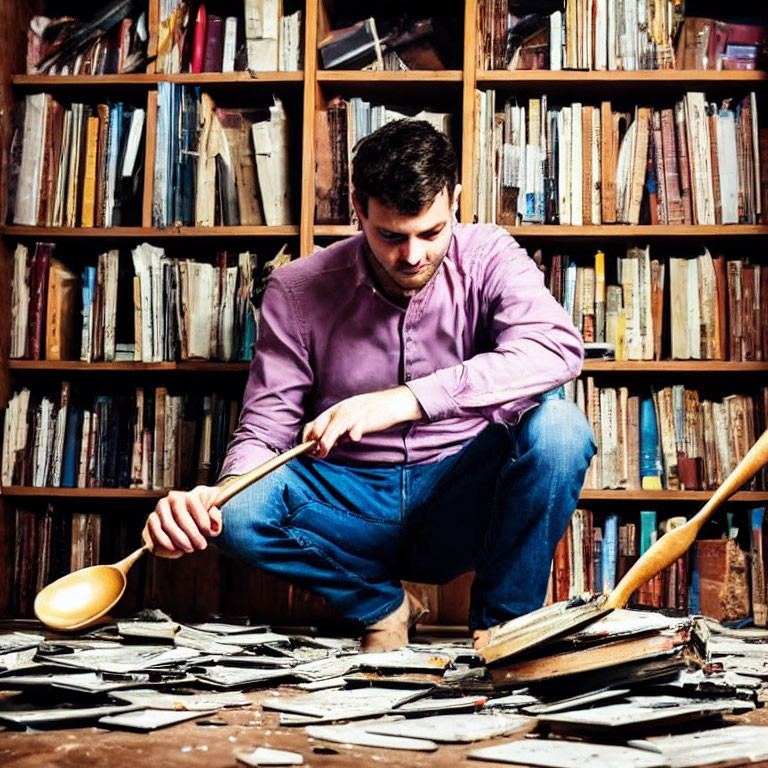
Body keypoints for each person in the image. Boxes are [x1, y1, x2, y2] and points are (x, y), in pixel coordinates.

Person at [143, 119, 596, 652]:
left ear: (454, 200)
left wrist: (405, 400)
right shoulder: (296, 289)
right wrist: (210, 504)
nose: (412, 256)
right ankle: (383, 606)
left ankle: (502, 633)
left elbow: (556, 348)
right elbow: (264, 431)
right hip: (346, 508)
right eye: (390, 236)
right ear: (357, 209)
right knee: (236, 512)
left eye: (431, 233)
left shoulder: (489, 253)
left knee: (561, 428)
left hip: (461, 502)